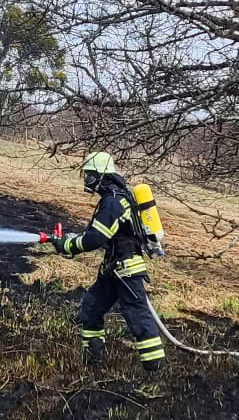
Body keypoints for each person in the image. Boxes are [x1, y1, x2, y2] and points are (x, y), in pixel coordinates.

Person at [52, 151, 167, 376]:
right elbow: (95, 233)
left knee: (137, 316)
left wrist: (66, 246)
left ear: (101, 175)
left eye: (90, 175)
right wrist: (67, 239)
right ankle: (92, 361)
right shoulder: (112, 199)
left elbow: (95, 239)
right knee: (91, 308)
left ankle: (156, 371)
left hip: (126, 269)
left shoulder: (113, 202)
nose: (87, 180)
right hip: (113, 269)